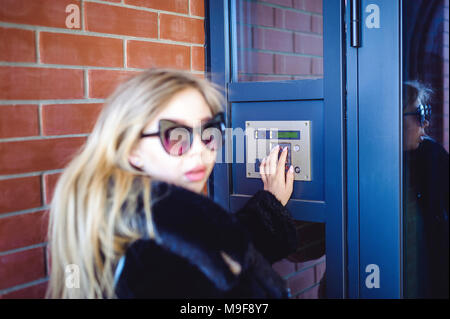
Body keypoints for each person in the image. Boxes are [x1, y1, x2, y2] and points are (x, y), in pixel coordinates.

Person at [46, 69, 298, 299]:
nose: (200, 150)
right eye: (176, 135)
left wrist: (269, 211)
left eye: (209, 130)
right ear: (131, 149)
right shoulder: (154, 258)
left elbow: (202, 246)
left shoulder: (114, 217)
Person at [403, 81, 449, 298]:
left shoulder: (432, 156)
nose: (426, 123)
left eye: (426, 112)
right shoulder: (360, 170)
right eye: (419, 114)